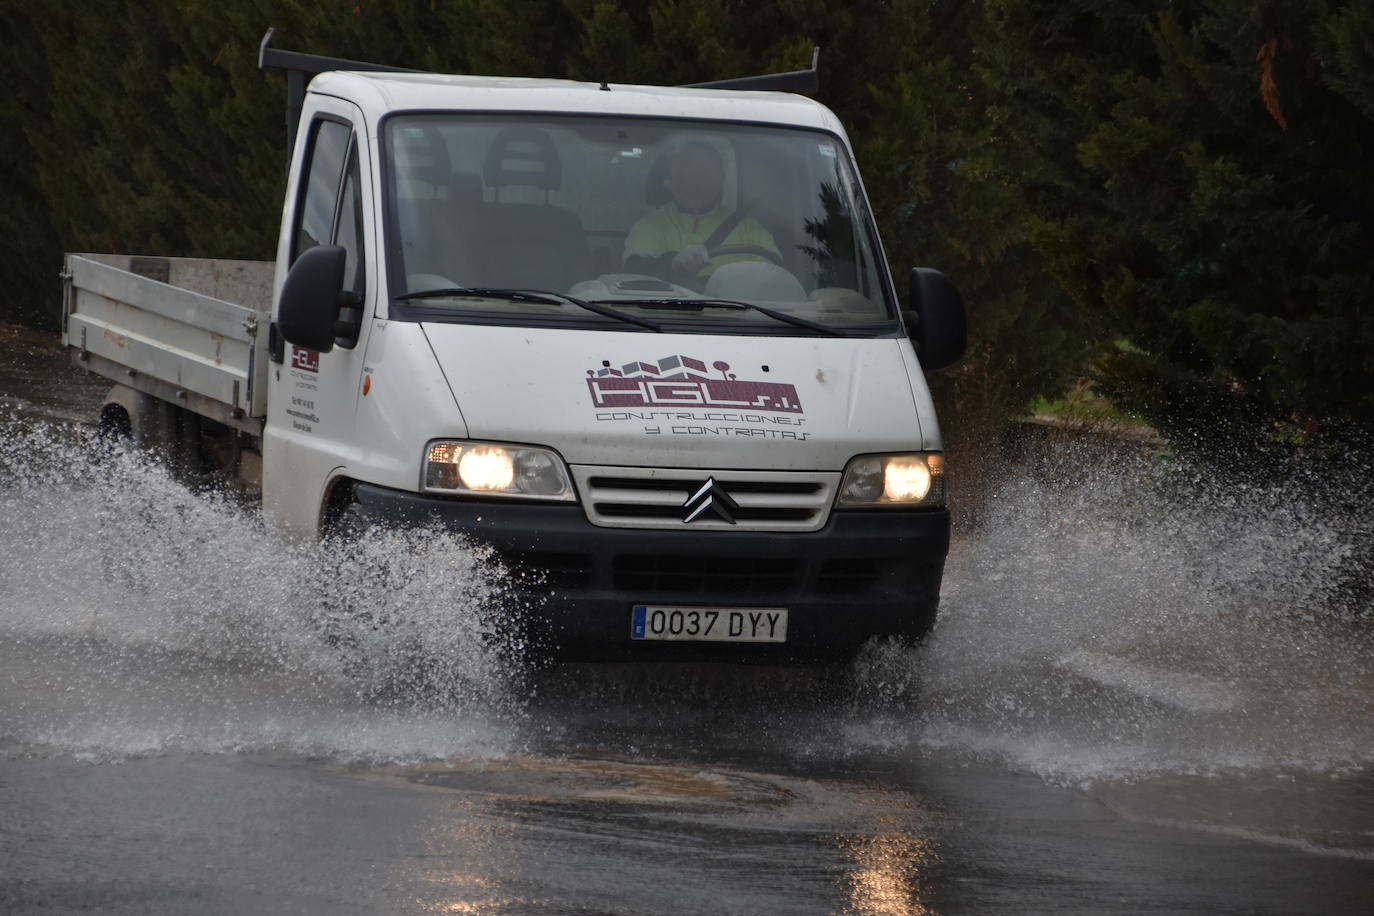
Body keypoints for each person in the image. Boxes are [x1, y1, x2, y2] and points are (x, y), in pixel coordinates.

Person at [622, 141, 779, 284]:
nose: (694, 184)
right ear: (669, 182)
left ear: (721, 180)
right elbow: (634, 275)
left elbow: (775, 280)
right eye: (683, 175)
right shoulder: (650, 227)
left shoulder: (750, 230)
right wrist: (671, 264)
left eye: (704, 175)